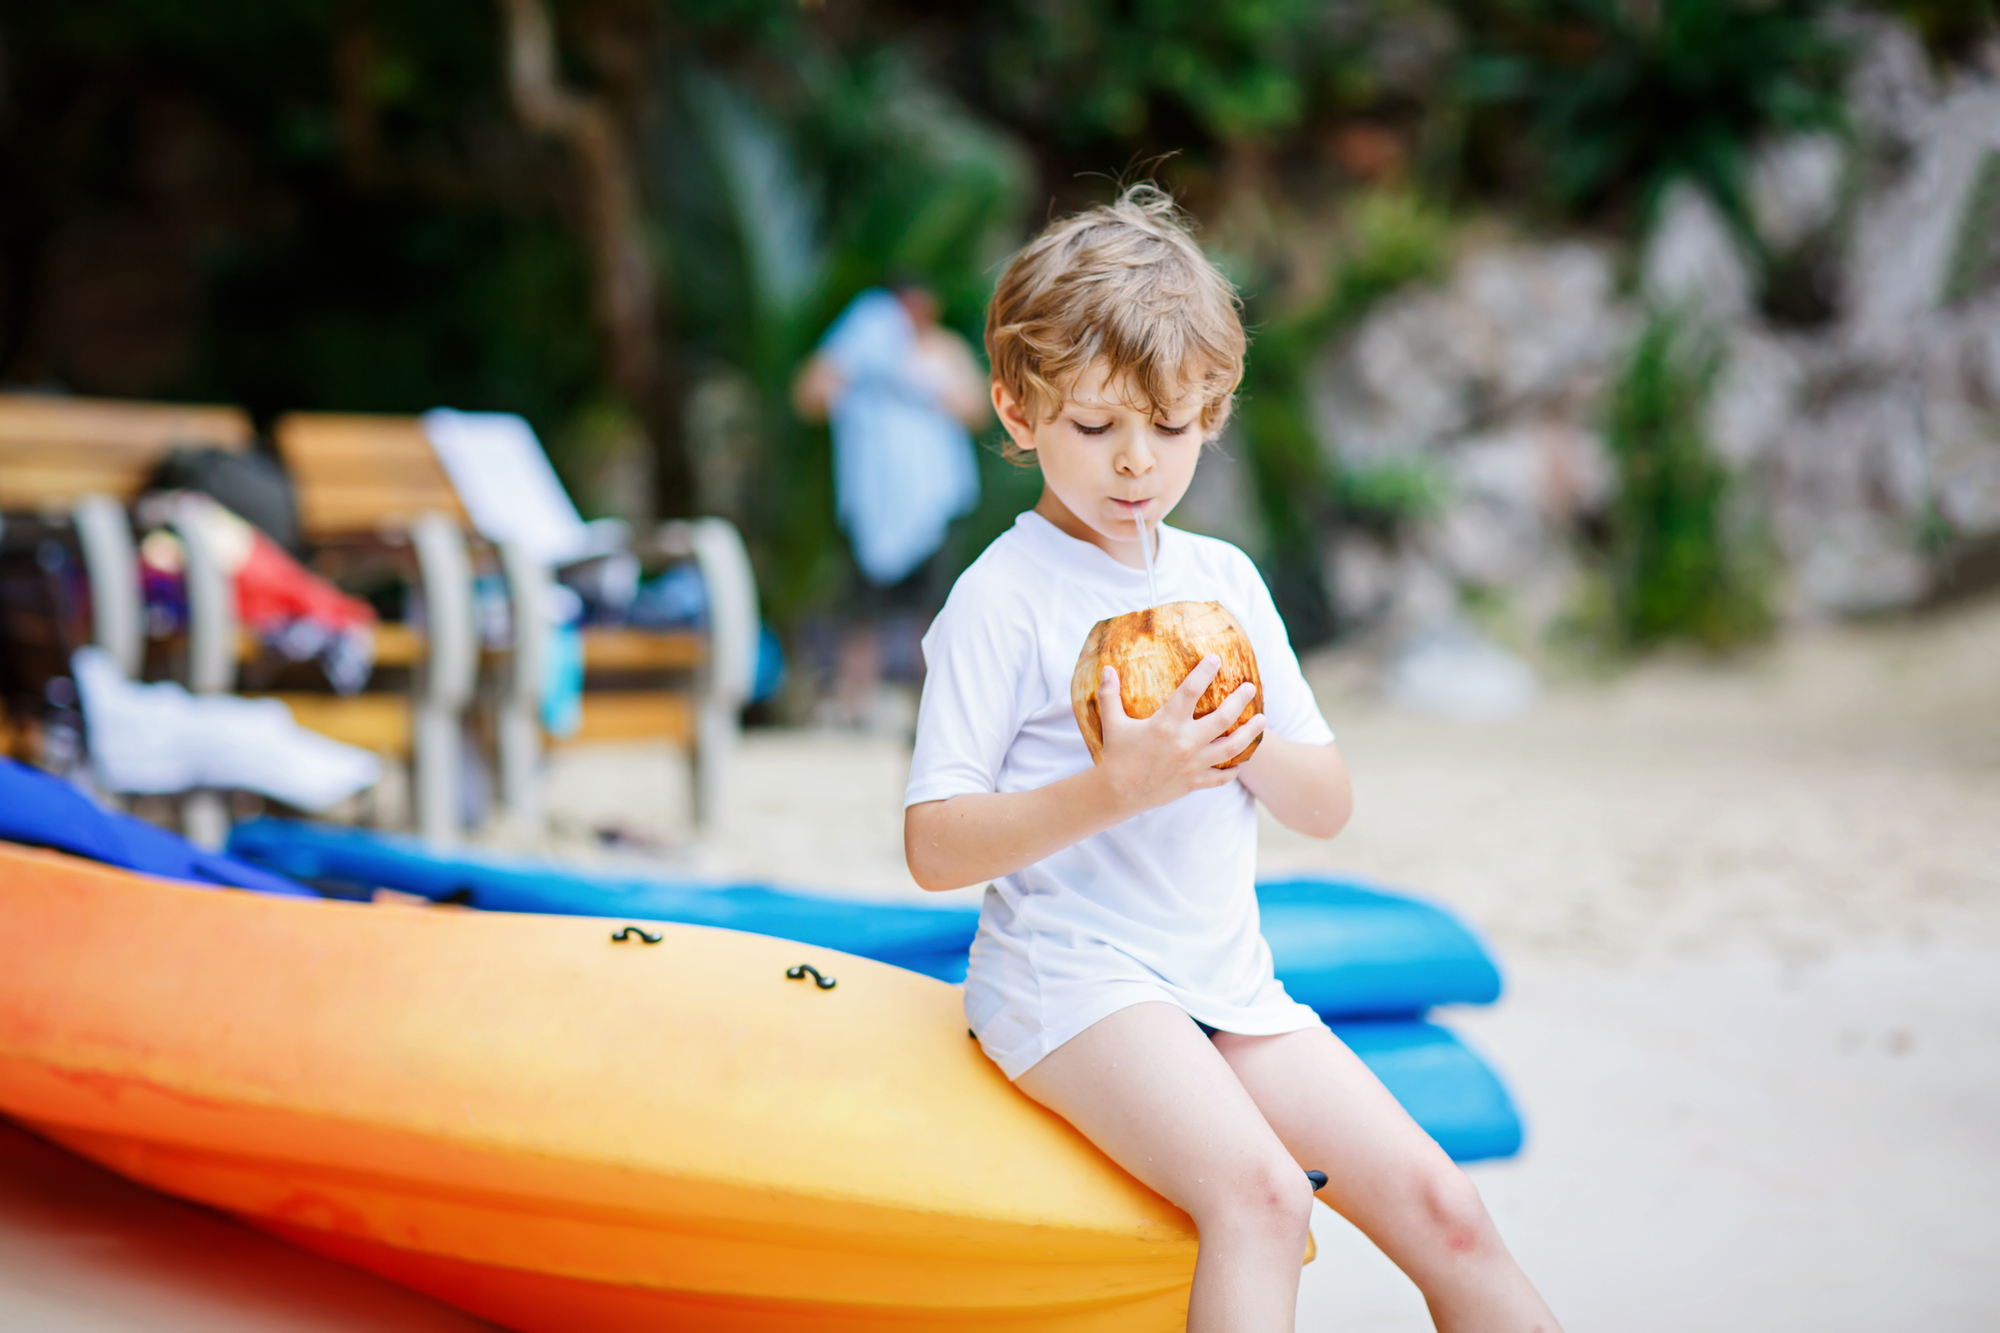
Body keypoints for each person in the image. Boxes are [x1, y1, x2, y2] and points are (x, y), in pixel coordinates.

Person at [902, 186, 1563, 1333]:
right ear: (1016, 410)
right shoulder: (999, 601)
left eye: (1167, 428)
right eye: (1094, 427)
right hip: (1075, 979)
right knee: (1257, 1198)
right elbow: (932, 844)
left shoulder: (1221, 584)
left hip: (1225, 979)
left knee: (1444, 1208)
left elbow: (1324, 803)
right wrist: (1114, 786)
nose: (1133, 465)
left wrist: (1236, 739)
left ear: (1210, 410)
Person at [793, 282, 988, 727]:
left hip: (933, 503)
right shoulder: (858, 346)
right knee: (862, 612)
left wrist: (920, 382)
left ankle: (935, 708)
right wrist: (862, 366)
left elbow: (976, 410)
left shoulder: (945, 349)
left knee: (935, 610)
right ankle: (855, 706)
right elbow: (810, 397)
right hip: (874, 500)